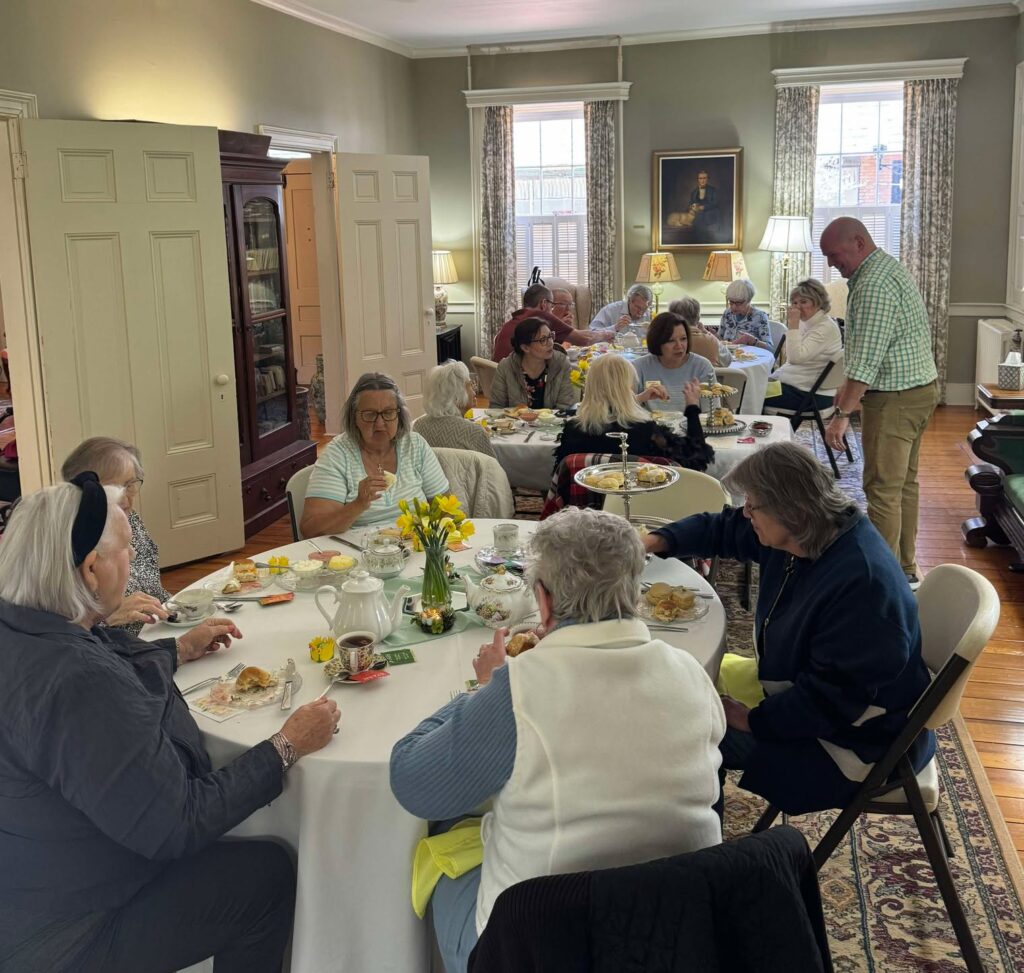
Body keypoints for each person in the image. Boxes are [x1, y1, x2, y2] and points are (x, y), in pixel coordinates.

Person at [0, 476, 340, 972]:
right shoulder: (79, 682)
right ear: (91, 570)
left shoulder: (27, 624)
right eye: (127, 549)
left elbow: (109, 659)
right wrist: (286, 745)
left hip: (28, 880)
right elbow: (177, 824)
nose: (136, 561)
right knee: (264, 875)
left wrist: (176, 648)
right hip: (70, 931)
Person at [391, 507, 725, 973]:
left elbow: (412, 783)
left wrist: (490, 688)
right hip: (677, 931)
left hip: (546, 948)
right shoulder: (691, 673)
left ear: (543, 603)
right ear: (633, 588)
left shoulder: (521, 688)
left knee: (439, 843)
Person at [642, 442, 935, 816]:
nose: (746, 513)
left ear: (793, 510)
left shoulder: (863, 588)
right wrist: (652, 542)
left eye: (754, 505)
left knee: (688, 730)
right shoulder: (808, 531)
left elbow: (831, 702)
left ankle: (702, 849)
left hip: (853, 741)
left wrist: (752, 719)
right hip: (803, 691)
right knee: (678, 685)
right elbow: (725, 527)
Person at [820, 217, 939, 588]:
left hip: (896, 399)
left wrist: (840, 415)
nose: (829, 263)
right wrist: (845, 389)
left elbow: (868, 359)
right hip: (918, 390)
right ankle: (904, 568)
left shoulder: (872, 284)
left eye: (833, 254)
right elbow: (870, 350)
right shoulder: (886, 269)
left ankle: (885, 580)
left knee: (882, 488)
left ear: (858, 242)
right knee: (903, 484)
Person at [301, 372, 448, 536]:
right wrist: (358, 504)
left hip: (414, 547)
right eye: (369, 414)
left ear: (399, 415)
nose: (380, 424)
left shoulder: (414, 445)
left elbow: (445, 510)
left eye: (388, 413)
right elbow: (311, 529)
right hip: (359, 553)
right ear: (354, 417)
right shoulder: (338, 454)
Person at [61, 437, 172, 635]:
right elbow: (58, 631)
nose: (126, 499)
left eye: (130, 485)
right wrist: (106, 618)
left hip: (159, 629)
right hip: (110, 648)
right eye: (112, 489)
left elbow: (153, 589)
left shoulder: (130, 521)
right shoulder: (72, 538)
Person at [553, 354, 713, 472]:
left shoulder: (573, 430)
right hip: (639, 509)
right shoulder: (646, 431)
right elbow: (697, 458)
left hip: (585, 509)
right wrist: (692, 408)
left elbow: (561, 477)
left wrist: (636, 400)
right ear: (626, 388)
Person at [765, 278, 843, 413]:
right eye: (795, 303)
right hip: (798, 387)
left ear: (818, 302)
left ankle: (759, 431)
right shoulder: (807, 322)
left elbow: (795, 358)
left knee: (750, 394)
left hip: (812, 394)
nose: (798, 307)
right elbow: (791, 363)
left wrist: (793, 325)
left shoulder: (825, 327)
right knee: (750, 389)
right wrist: (772, 378)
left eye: (803, 302)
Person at [491, 284, 612, 360]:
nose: (552, 309)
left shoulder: (517, 317)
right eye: (551, 304)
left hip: (498, 382)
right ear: (544, 304)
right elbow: (584, 339)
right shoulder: (540, 316)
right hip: (519, 384)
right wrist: (607, 334)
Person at [632, 311, 716, 413]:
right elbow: (620, 410)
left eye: (683, 339)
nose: (679, 346)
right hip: (650, 427)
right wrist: (641, 397)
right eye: (671, 341)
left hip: (691, 427)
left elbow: (713, 412)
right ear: (657, 342)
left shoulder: (702, 367)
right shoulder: (638, 367)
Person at [489, 317, 578, 411]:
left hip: (552, 424)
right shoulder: (506, 367)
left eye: (550, 336)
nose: (550, 343)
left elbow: (564, 406)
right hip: (515, 424)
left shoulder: (561, 363)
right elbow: (496, 407)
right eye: (543, 340)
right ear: (525, 348)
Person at [415, 360, 497, 459]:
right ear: (456, 397)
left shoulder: (418, 426)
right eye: (470, 385)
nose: (474, 391)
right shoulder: (474, 432)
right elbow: (493, 470)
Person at [669, 296, 732, 366]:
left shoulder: (666, 343)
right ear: (698, 318)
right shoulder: (711, 341)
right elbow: (728, 360)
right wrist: (706, 332)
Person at [718, 279, 773, 350]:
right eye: (731, 302)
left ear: (749, 300)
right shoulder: (727, 313)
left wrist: (753, 341)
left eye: (739, 303)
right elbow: (720, 340)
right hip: (728, 357)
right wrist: (709, 334)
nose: (733, 307)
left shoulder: (760, 316)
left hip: (750, 358)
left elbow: (770, 349)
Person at [588, 283, 653, 333]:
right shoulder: (610, 310)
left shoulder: (648, 314)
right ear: (629, 300)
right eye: (637, 307)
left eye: (644, 309)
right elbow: (592, 332)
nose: (640, 313)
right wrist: (615, 328)